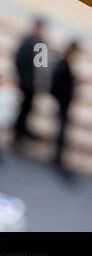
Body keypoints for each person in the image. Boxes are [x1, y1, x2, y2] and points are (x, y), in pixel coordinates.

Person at [12, 19, 47, 148]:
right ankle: (19, 131)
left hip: (29, 82)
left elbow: (42, 65)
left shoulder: (34, 42)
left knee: (26, 108)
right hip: (27, 82)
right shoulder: (32, 42)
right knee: (24, 108)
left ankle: (21, 130)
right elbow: (41, 65)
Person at [51, 40, 79, 178]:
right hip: (62, 102)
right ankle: (57, 158)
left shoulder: (64, 64)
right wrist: (70, 89)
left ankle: (58, 157)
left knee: (62, 132)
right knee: (60, 133)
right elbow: (58, 85)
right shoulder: (62, 65)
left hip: (63, 102)